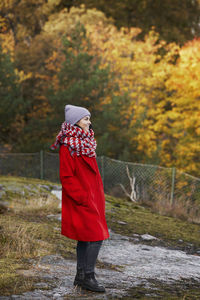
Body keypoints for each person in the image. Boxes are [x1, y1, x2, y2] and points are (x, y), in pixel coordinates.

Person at [51, 104, 109, 293]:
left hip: (92, 196)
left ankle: (80, 276)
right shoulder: (68, 145)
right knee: (95, 236)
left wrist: (95, 194)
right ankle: (89, 277)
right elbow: (66, 176)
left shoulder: (87, 141)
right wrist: (82, 197)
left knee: (86, 237)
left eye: (88, 118)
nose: (89, 122)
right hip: (81, 198)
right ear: (76, 122)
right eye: (86, 119)